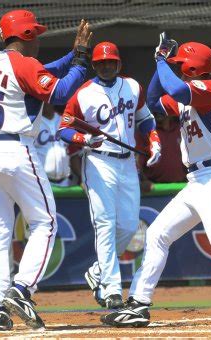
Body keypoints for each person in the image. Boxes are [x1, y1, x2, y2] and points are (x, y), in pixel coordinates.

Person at [101, 36, 211, 330]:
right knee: (157, 233)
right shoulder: (188, 96)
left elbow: (177, 88)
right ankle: (139, 304)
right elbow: (156, 98)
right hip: (197, 180)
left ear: (195, 66)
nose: (179, 68)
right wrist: (161, 61)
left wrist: (162, 61)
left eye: (182, 64)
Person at [0, 9, 92, 331]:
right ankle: (22, 289)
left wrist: (72, 54)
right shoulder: (23, 63)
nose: (37, 39)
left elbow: (41, 72)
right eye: (34, 34)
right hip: (14, 150)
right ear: (25, 36)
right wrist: (79, 62)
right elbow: (60, 92)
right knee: (45, 222)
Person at [59, 41, 161, 309]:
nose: (106, 66)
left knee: (128, 226)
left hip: (128, 163)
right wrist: (83, 139)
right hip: (99, 162)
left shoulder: (132, 86)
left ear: (118, 63)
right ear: (94, 65)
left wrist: (154, 140)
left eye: (110, 62)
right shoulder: (83, 92)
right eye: (101, 62)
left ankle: (97, 271)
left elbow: (145, 119)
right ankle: (112, 288)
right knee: (104, 225)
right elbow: (64, 128)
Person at [136, 112, 185, 191]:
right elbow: (136, 159)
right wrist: (142, 180)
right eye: (154, 108)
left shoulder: (181, 128)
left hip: (182, 186)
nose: (157, 111)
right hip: (155, 191)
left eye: (160, 108)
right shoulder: (145, 131)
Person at [34, 103, 72, 186]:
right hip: (41, 181)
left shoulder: (64, 121)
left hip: (65, 181)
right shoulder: (34, 123)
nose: (44, 103)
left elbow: (74, 151)